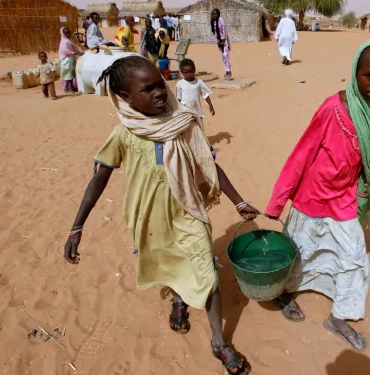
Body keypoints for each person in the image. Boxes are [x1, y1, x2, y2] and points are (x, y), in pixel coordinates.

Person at [63, 56, 256, 374]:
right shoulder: (124, 134)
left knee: (207, 274)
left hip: (188, 212)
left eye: (161, 84)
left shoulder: (182, 123)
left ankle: (219, 342)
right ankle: (179, 300)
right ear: (126, 97)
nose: (160, 93)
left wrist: (237, 201)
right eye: (147, 88)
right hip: (149, 219)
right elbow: (99, 177)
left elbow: (209, 164)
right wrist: (77, 226)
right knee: (169, 263)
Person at [264, 41, 370, 351]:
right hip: (313, 195)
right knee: (299, 249)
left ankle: (339, 317)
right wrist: (278, 200)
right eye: (369, 75)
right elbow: (302, 153)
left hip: (345, 198)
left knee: (352, 255)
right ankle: (283, 293)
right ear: (355, 73)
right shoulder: (332, 108)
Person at [176, 58, 215, 128]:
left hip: (197, 110)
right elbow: (178, 98)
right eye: (186, 72)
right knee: (188, 129)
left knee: (199, 128)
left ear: (194, 70)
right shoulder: (180, 84)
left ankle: (200, 139)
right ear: (182, 72)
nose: (189, 74)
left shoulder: (199, 82)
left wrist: (211, 105)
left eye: (191, 71)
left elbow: (205, 94)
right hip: (185, 111)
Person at [59, 27, 85, 93]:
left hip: (71, 59)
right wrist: (75, 52)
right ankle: (66, 88)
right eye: (66, 33)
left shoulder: (69, 40)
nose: (68, 34)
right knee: (68, 75)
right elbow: (65, 51)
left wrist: (80, 51)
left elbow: (74, 47)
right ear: (63, 33)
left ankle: (72, 87)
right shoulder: (64, 42)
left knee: (71, 74)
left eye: (68, 32)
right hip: (66, 60)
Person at [211, 9, 233, 81]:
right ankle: (227, 71)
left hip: (224, 40)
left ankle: (229, 72)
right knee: (223, 56)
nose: (215, 15)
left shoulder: (221, 20)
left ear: (218, 14)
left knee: (226, 55)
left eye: (216, 14)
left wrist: (223, 40)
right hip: (219, 41)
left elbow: (224, 30)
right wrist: (218, 40)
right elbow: (215, 32)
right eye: (213, 14)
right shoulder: (213, 21)